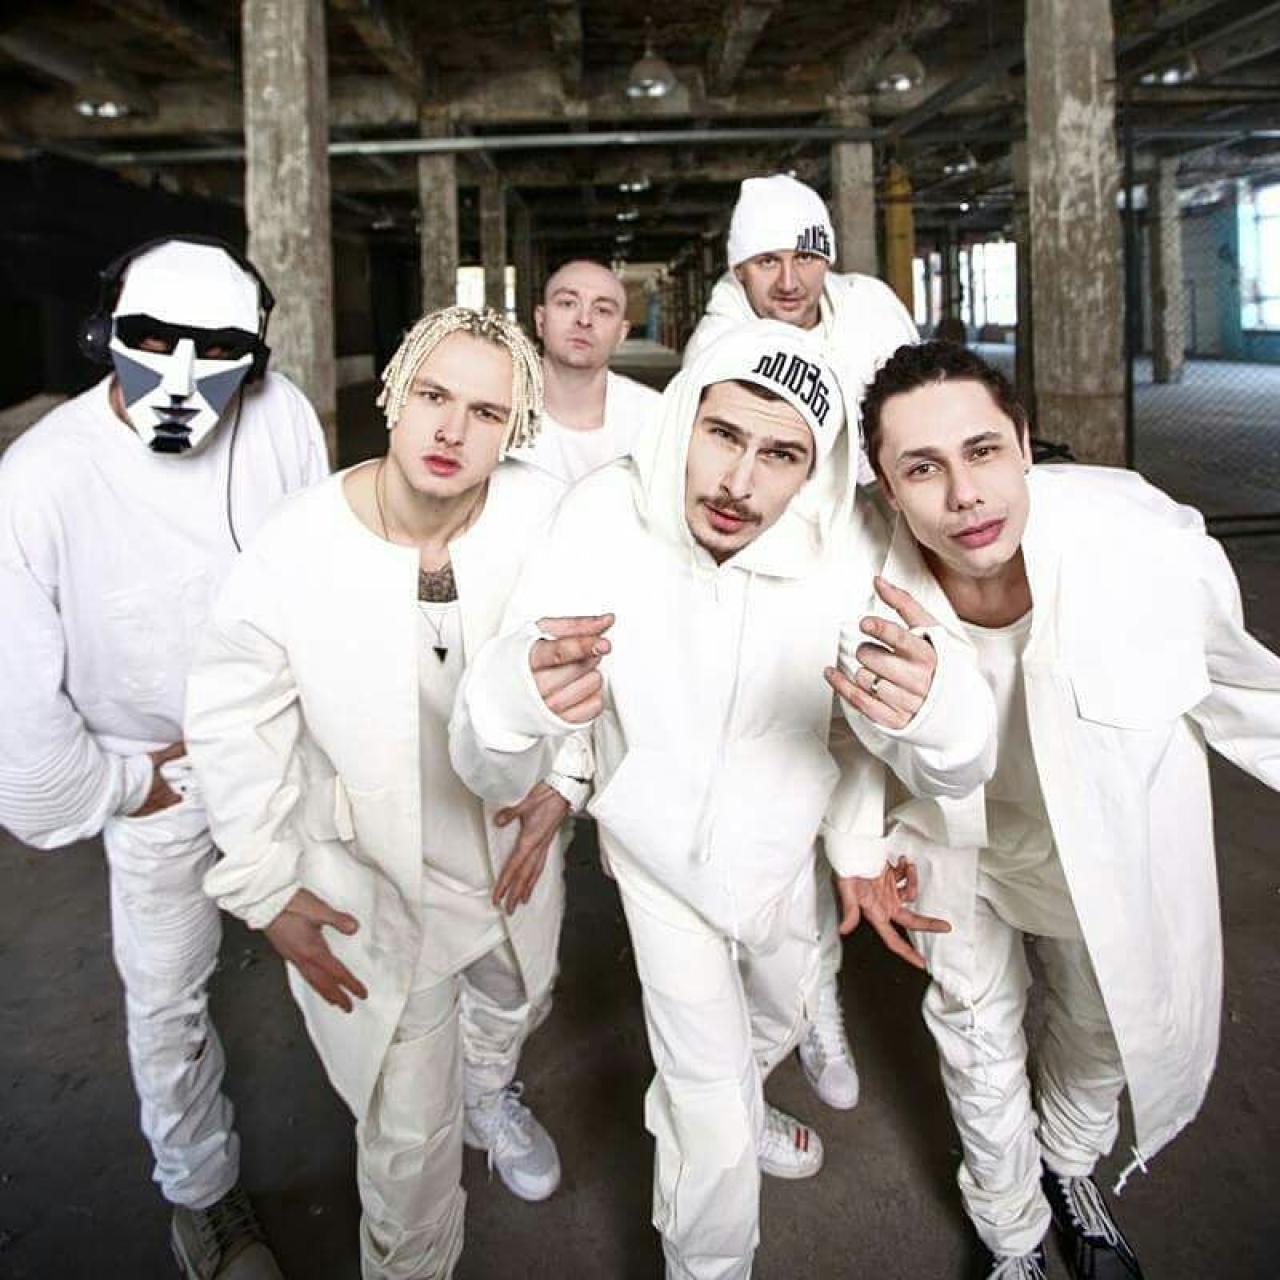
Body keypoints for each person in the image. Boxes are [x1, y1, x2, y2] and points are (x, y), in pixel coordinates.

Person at [450, 321, 996, 1280]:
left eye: (781, 454)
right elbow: (506, 723)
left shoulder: (852, 546)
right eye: (724, 435)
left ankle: (743, 1103)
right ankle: (711, 1240)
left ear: (817, 469)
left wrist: (926, 736)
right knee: (704, 1101)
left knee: (777, 1020)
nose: (740, 482)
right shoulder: (604, 513)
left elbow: (933, 752)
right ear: (685, 421)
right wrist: (517, 711)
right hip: (656, 860)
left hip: (784, 856)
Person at [851, 340, 1280, 1280]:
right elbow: (829, 743)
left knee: (1105, 1026)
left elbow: (1243, 683)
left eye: (982, 451)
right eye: (922, 469)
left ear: (1022, 444)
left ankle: (1070, 1164)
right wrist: (854, 848)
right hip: (952, 848)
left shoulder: (1138, 544)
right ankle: (1011, 1236)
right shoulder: (859, 591)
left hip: (1100, 845)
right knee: (976, 1041)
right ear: (886, 491)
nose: (964, 495)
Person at [185, 307, 582, 1280]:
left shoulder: (543, 515)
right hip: (373, 881)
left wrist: (568, 783)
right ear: (395, 396)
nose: (452, 430)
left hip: (508, 854)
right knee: (406, 1143)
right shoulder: (295, 545)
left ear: (517, 428)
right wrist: (265, 884)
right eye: (434, 395)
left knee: (513, 998)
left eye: (486, 412)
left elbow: (590, 652)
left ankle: (489, 1091)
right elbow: (233, 718)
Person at [0, 236, 328, 1279]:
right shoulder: (39, 477)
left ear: (256, 358)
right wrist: (127, 783)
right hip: (157, 775)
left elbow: (318, 570)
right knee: (167, 991)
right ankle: (200, 1193)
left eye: (217, 349)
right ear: (104, 333)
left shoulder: (281, 418)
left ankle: (408, 1128)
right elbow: (16, 709)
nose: (183, 375)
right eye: (152, 339)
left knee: (359, 931)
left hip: (281, 747)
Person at [684, 172, 920, 1114]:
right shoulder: (719, 344)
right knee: (781, 798)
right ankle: (813, 1003)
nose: (789, 279)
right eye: (766, 260)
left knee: (866, 757)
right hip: (768, 572)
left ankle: (835, 974)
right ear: (737, 267)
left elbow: (915, 408)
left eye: (806, 255)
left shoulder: (870, 308)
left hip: (869, 553)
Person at [511, 258, 662, 484]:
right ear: (541, 321)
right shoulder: (497, 408)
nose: (584, 320)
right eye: (567, 303)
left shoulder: (655, 418)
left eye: (602, 310)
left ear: (621, 334)